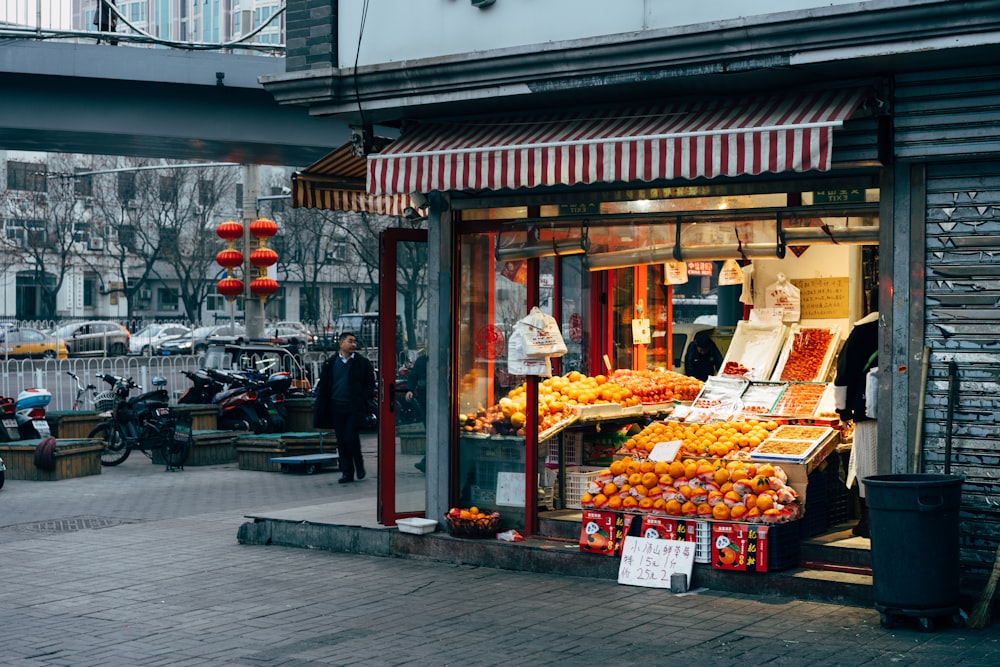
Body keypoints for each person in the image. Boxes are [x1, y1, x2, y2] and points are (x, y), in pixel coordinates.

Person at [834, 311, 879, 537]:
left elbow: (844, 373)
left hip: (867, 409)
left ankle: (870, 521)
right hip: (900, 410)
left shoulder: (863, 329)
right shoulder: (906, 320)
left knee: (867, 466)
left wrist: (842, 410)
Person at [313, 331, 376, 484]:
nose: (353, 344)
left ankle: (359, 466)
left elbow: (370, 385)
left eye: (355, 341)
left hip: (354, 408)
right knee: (342, 441)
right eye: (350, 341)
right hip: (336, 407)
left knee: (350, 437)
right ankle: (347, 472)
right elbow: (325, 386)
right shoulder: (331, 363)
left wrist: (362, 399)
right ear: (341, 344)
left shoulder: (362, 363)